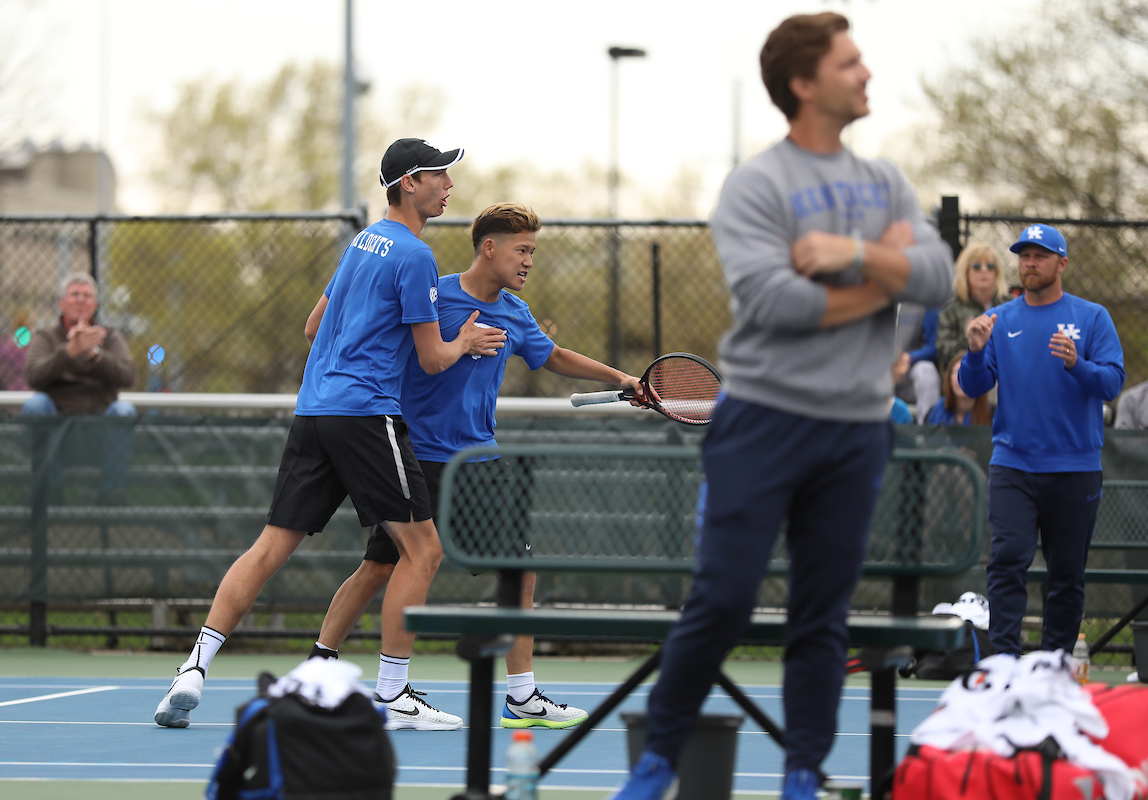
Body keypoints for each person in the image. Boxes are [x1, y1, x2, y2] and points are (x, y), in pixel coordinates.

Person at [609, 13, 954, 800]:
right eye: (850, 62)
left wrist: (855, 254)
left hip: (856, 432)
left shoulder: (887, 181)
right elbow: (774, 303)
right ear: (804, 84)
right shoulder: (756, 185)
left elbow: (937, 275)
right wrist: (886, 279)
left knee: (820, 615)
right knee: (723, 600)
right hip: (762, 421)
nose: (866, 73)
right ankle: (659, 757)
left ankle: (802, 774)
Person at [154, 139, 507, 729]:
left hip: (314, 412)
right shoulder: (415, 255)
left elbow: (315, 323)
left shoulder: (361, 241)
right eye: (441, 176)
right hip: (367, 415)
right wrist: (465, 342)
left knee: (269, 548)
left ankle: (192, 669)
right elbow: (431, 359)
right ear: (410, 182)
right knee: (423, 551)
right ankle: (393, 695)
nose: (450, 186)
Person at [306, 202, 645, 730]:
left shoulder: (514, 311)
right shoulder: (433, 292)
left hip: (476, 459)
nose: (530, 261)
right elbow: (400, 346)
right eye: (522, 250)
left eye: (533, 250)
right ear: (490, 247)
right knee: (379, 568)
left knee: (518, 566)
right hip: (415, 454)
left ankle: (521, 696)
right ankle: (320, 673)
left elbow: (553, 356)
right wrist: (457, 344)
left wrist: (621, 379)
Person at [959, 223, 1124, 659]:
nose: (1030, 263)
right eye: (1024, 255)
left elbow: (1111, 383)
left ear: (1061, 263)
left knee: (1067, 574)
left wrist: (1078, 365)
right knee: (1008, 559)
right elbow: (973, 387)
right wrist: (975, 352)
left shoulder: (1092, 317)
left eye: (1041, 255)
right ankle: (1004, 662)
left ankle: (1055, 665)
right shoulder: (1000, 319)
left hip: (1075, 468)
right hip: (1013, 464)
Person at [22, 274, 137, 505]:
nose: (81, 301)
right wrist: (69, 352)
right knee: (34, 405)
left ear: (95, 305)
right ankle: (51, 490)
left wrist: (94, 354)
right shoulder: (46, 336)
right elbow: (33, 375)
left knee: (125, 410)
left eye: (87, 296)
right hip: (58, 428)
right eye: (74, 294)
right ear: (61, 303)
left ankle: (110, 493)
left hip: (100, 430)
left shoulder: (110, 336)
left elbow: (129, 375)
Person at [936, 242, 1010, 373]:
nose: (984, 270)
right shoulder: (951, 310)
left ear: (997, 272)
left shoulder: (1010, 305)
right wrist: (969, 340)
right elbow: (943, 353)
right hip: (967, 374)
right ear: (965, 271)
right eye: (976, 266)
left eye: (990, 266)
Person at [894, 303, 941, 423]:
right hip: (879, 369)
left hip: (909, 370)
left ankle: (928, 430)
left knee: (926, 371)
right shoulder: (873, 301)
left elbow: (935, 346)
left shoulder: (923, 305)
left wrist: (909, 358)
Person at [924, 350, 992, 426]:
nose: (963, 379)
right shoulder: (934, 414)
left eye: (970, 373)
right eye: (958, 372)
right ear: (949, 379)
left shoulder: (994, 417)